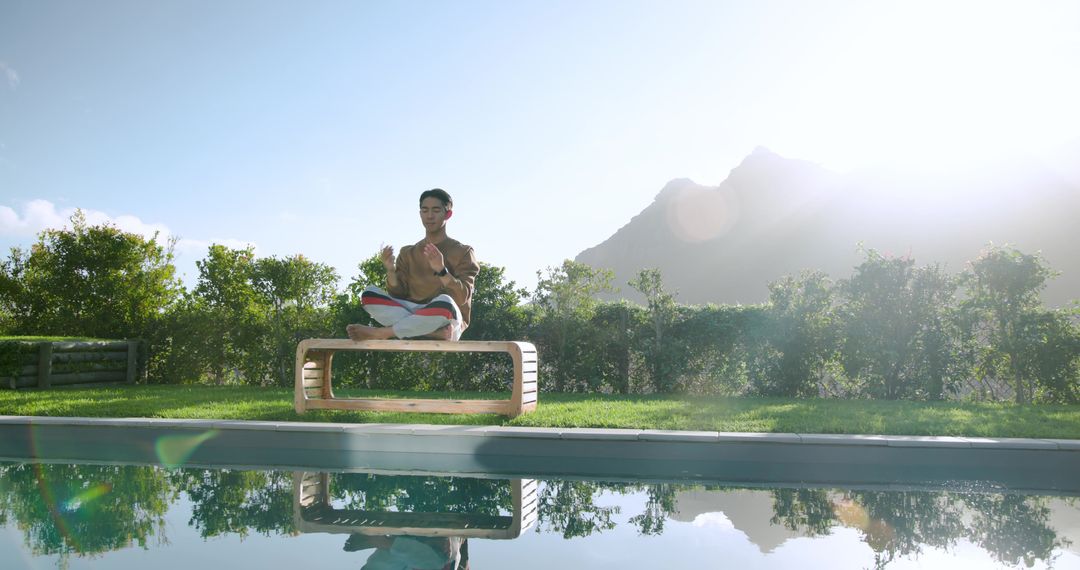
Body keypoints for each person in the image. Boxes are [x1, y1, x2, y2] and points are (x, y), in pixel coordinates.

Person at [347, 188, 479, 341]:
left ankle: (382, 333)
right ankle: (431, 333)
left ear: (448, 214)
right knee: (369, 294)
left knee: (445, 302)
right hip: (412, 313)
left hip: (446, 318)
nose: (429, 216)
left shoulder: (463, 252)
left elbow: (462, 297)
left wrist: (442, 270)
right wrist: (390, 271)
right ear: (420, 214)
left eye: (436, 210)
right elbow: (398, 295)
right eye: (425, 210)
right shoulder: (408, 252)